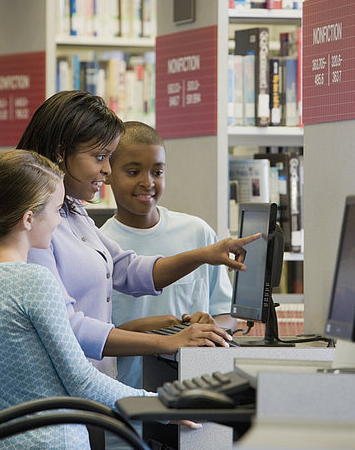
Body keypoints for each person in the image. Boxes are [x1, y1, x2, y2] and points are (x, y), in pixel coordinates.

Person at [17, 91, 260, 379]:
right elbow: (68, 327)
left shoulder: (72, 211)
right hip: (67, 395)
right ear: (60, 152)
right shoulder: (35, 227)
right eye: (99, 157)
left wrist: (204, 254)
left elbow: (127, 269)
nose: (106, 170)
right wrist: (167, 341)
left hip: (92, 386)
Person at [0, 149, 156, 450]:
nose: (58, 223)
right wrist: (163, 406)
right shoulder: (34, 281)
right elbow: (82, 382)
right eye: (57, 211)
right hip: (56, 441)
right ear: (29, 218)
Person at [101, 121, 238, 449]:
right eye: (133, 171)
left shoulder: (198, 234)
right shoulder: (99, 244)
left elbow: (228, 315)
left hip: (194, 404)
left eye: (157, 172)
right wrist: (155, 331)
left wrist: (208, 326)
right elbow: (94, 339)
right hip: (129, 409)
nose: (147, 182)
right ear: (107, 174)